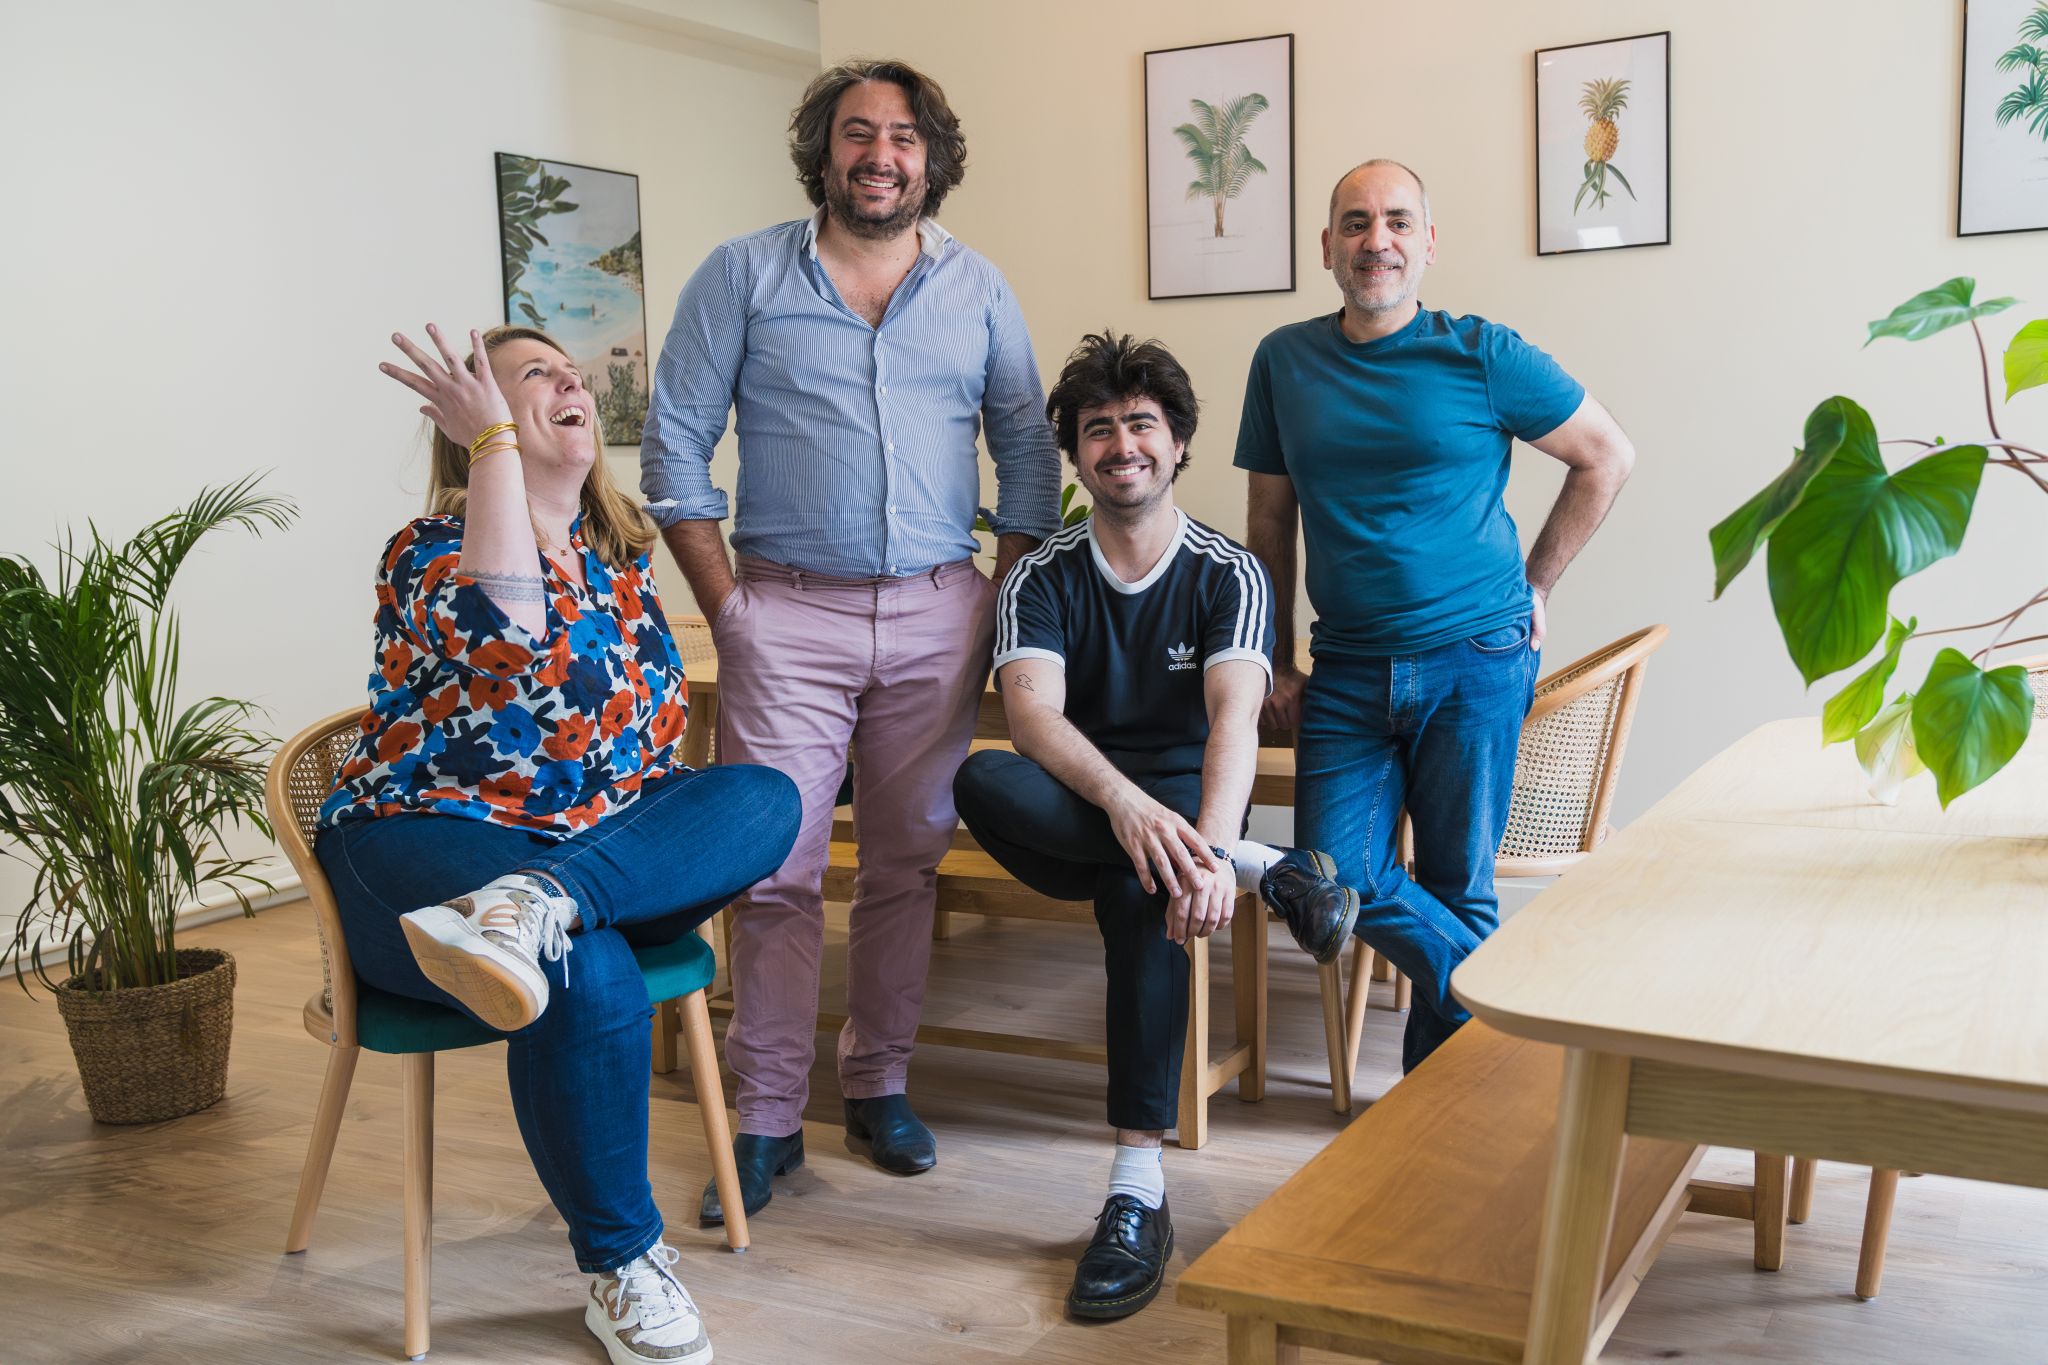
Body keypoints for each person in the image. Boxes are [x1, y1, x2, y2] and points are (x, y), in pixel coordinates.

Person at [318, 322, 801, 1365]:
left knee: (764, 796)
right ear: (480, 422)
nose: (568, 380)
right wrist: (492, 447)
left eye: (570, 371)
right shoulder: (426, 549)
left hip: (573, 859)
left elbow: (647, 758)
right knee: (582, 959)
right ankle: (623, 1266)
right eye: (532, 375)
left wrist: (644, 842)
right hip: (417, 847)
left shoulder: (618, 564)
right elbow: (507, 638)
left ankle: (540, 898)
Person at [638, 58, 1062, 1221]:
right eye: (858, 133)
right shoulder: (741, 275)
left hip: (937, 613)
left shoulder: (978, 288)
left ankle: (877, 1085)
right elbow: (674, 447)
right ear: (822, 152)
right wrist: (728, 605)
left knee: (904, 862)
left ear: (932, 158)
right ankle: (766, 1116)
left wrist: (995, 593)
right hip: (784, 613)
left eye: (903, 136)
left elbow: (1027, 453)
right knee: (773, 871)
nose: (881, 155)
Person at [953, 331, 1358, 1320]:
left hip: (1189, 795)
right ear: (1076, 454)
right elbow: (1034, 722)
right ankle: (1265, 867)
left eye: (1141, 424)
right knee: (981, 781)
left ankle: (1135, 1191)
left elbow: (1233, 721)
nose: (1121, 445)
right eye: (1098, 429)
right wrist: (1129, 808)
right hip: (1084, 803)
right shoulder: (1041, 575)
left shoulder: (1230, 572)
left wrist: (1195, 845)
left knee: (1146, 892)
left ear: (1177, 443)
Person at [1238, 159, 1636, 1072]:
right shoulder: (1283, 361)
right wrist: (1275, 656)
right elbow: (1268, 522)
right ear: (1326, 246)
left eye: (1397, 222)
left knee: (1460, 885)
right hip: (1345, 667)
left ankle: (1442, 1107)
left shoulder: (1482, 353)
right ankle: (1525, 1008)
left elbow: (1606, 455)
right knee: (1333, 874)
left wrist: (1539, 584)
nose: (1376, 240)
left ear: (1427, 244)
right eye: (1355, 222)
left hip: (1475, 657)